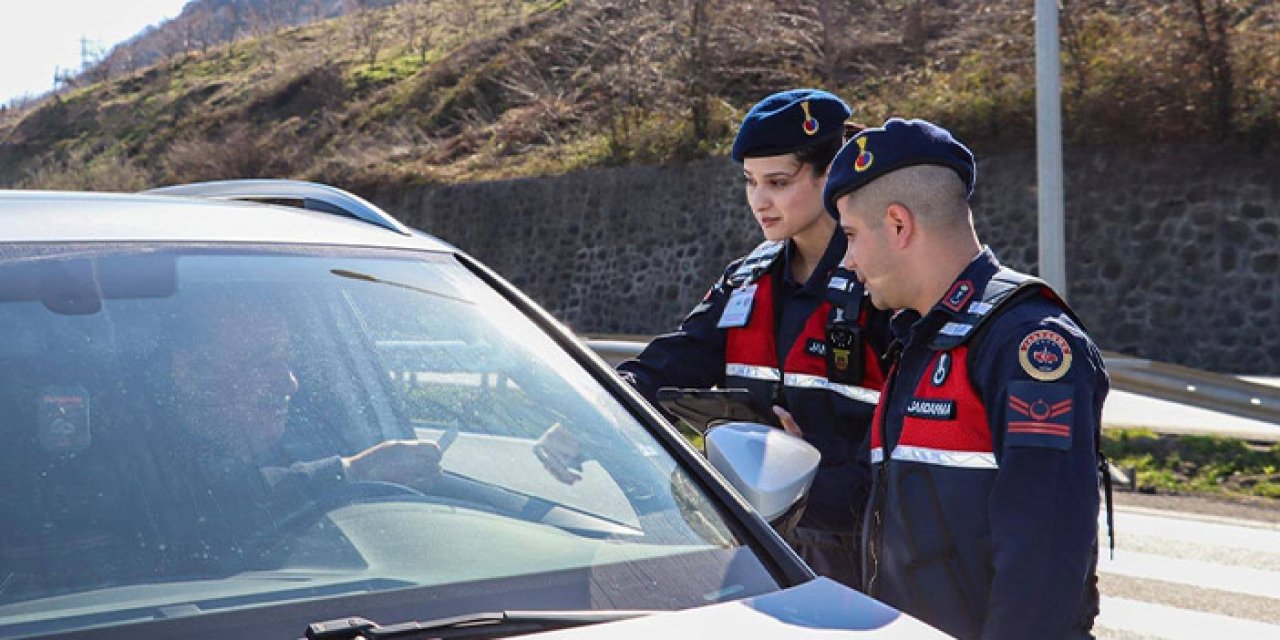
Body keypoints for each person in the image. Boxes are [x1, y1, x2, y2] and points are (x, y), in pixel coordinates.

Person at [823, 117, 1110, 638]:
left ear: (898, 225)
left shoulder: (1026, 342)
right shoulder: (921, 339)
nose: (847, 261)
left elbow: (1041, 568)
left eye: (850, 237)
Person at [617, 88, 892, 589]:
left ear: (829, 174)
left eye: (778, 182)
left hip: (864, 562)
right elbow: (672, 362)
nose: (759, 201)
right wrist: (596, 402)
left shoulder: (883, 285)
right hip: (761, 552)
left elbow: (908, 451)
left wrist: (809, 478)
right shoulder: (747, 279)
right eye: (750, 182)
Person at [151, 294, 443, 573]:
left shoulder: (309, 438)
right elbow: (206, 517)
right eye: (264, 363)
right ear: (190, 372)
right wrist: (352, 471)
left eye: (288, 362)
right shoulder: (134, 472)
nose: (290, 384)